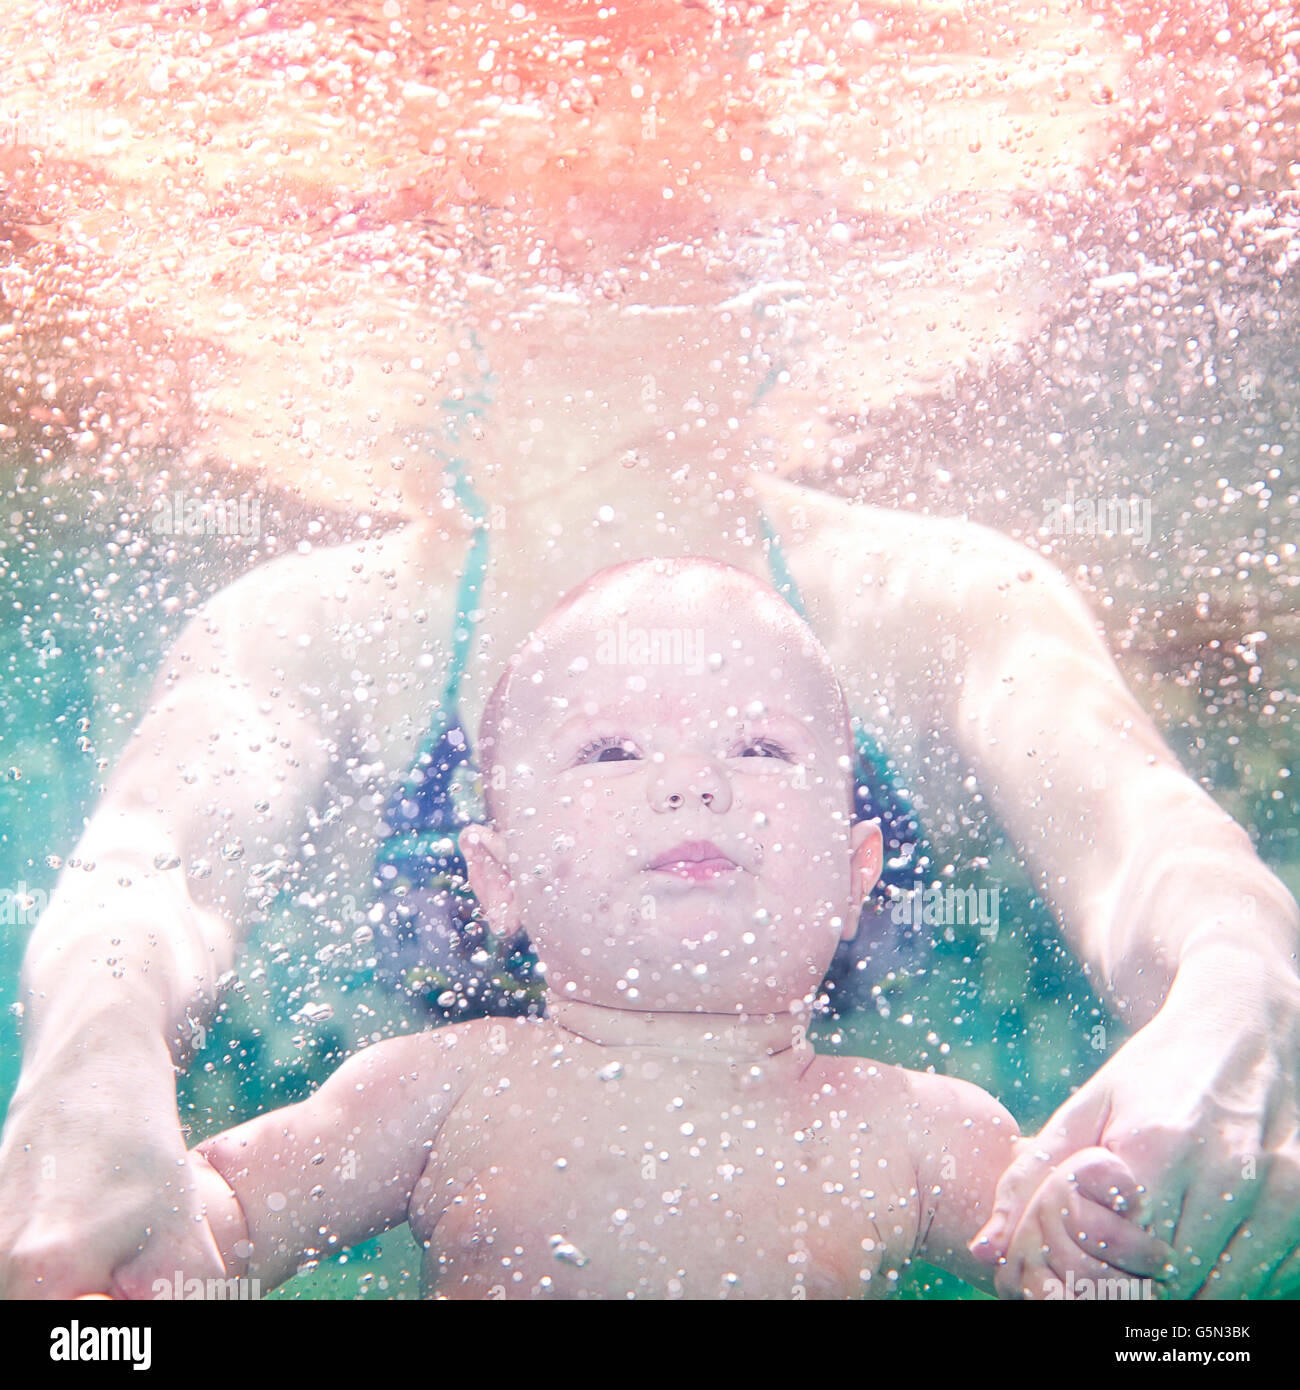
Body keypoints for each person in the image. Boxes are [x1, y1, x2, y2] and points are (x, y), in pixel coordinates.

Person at [2, 7, 1298, 1305]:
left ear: (787, 254)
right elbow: (145, 880)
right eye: (562, 229)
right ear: (455, 269)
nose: (620, 284)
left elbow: (1155, 852)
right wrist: (93, 1070)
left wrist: (1237, 990)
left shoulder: (938, 597)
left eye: (677, 226)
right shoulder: (321, 626)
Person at [155, 560, 1169, 1300]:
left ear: (857, 874)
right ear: (497, 882)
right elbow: (225, 1218)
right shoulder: (434, 1089)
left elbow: (1078, 1261)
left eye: (760, 747)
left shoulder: (916, 1127)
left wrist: (1079, 1239)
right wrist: (134, 1257)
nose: (694, 781)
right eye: (610, 752)